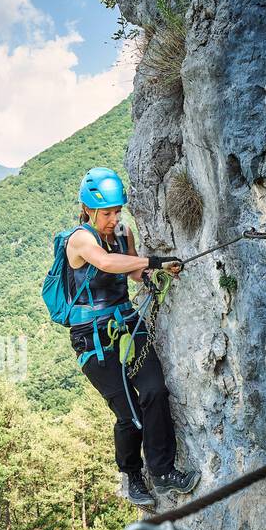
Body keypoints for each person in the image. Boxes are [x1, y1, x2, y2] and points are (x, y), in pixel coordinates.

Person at [64, 167, 199, 506]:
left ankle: (163, 472)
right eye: (107, 212)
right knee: (129, 415)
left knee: (154, 391)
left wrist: (153, 273)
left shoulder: (124, 233)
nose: (113, 218)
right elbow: (106, 263)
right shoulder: (80, 239)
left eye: (116, 210)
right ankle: (132, 476)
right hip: (92, 338)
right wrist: (153, 259)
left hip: (126, 323)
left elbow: (131, 269)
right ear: (88, 210)